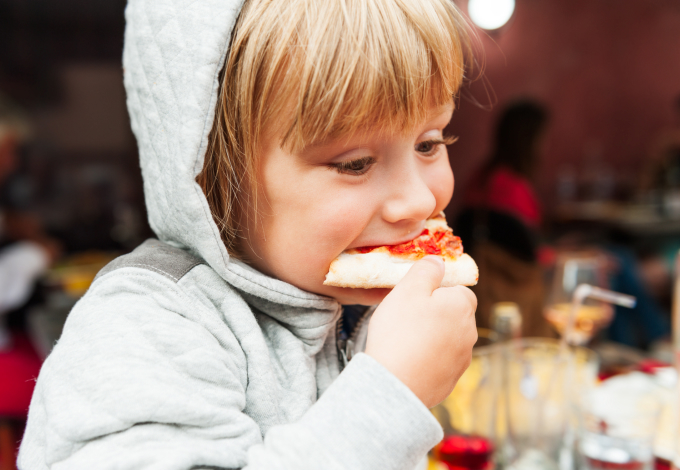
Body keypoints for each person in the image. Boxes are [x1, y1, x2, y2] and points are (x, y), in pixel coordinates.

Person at [18, 1, 478, 469]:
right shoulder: (141, 327)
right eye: (354, 163)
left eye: (429, 142)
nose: (420, 201)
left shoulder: (344, 305)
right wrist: (387, 400)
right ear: (211, 176)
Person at [455, 101, 552, 337]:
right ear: (529, 140)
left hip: (480, 277)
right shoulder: (515, 188)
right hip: (514, 281)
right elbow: (531, 253)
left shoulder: (481, 177)